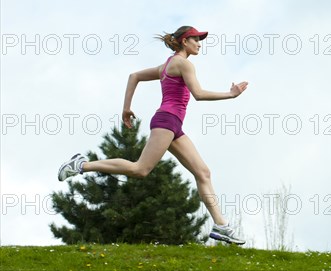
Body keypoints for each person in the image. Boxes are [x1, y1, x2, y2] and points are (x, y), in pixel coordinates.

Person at [57, 25, 248, 245]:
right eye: (195, 39)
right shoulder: (184, 64)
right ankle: (81, 165)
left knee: (203, 172)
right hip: (166, 121)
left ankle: (221, 225)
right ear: (184, 42)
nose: (199, 43)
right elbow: (198, 94)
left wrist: (126, 108)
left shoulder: (167, 65)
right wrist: (231, 95)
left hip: (173, 125)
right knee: (140, 169)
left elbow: (134, 76)